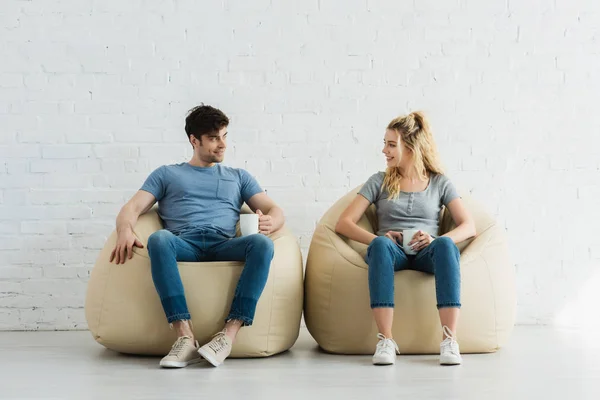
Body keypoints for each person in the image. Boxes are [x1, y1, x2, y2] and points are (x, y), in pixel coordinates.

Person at [109, 104, 284, 368]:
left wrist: (272, 220)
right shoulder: (167, 174)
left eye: (224, 136)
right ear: (194, 140)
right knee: (159, 239)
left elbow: (274, 209)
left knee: (261, 243)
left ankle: (227, 335)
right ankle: (185, 337)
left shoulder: (238, 177)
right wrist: (124, 230)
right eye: (214, 138)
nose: (222, 144)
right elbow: (131, 208)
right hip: (184, 243)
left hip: (223, 243)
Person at [335, 111, 476, 366]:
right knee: (379, 244)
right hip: (392, 252)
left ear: (410, 147)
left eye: (391, 144)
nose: (384, 150)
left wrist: (434, 240)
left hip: (427, 253)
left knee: (445, 244)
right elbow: (343, 223)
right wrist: (381, 238)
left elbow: (469, 226)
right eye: (385, 144)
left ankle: (449, 340)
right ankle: (386, 340)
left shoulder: (439, 183)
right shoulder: (378, 181)